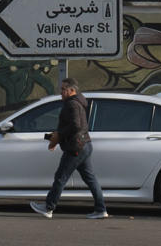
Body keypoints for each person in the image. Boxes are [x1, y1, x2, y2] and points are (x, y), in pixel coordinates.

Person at [30, 78, 105, 219]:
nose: (61, 92)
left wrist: (59, 135)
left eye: (64, 89)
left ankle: (48, 207)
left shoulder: (71, 104)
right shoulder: (77, 103)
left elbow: (75, 126)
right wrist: (57, 137)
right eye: (61, 89)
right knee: (90, 178)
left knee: (60, 177)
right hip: (85, 144)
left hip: (76, 147)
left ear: (72, 90)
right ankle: (101, 209)